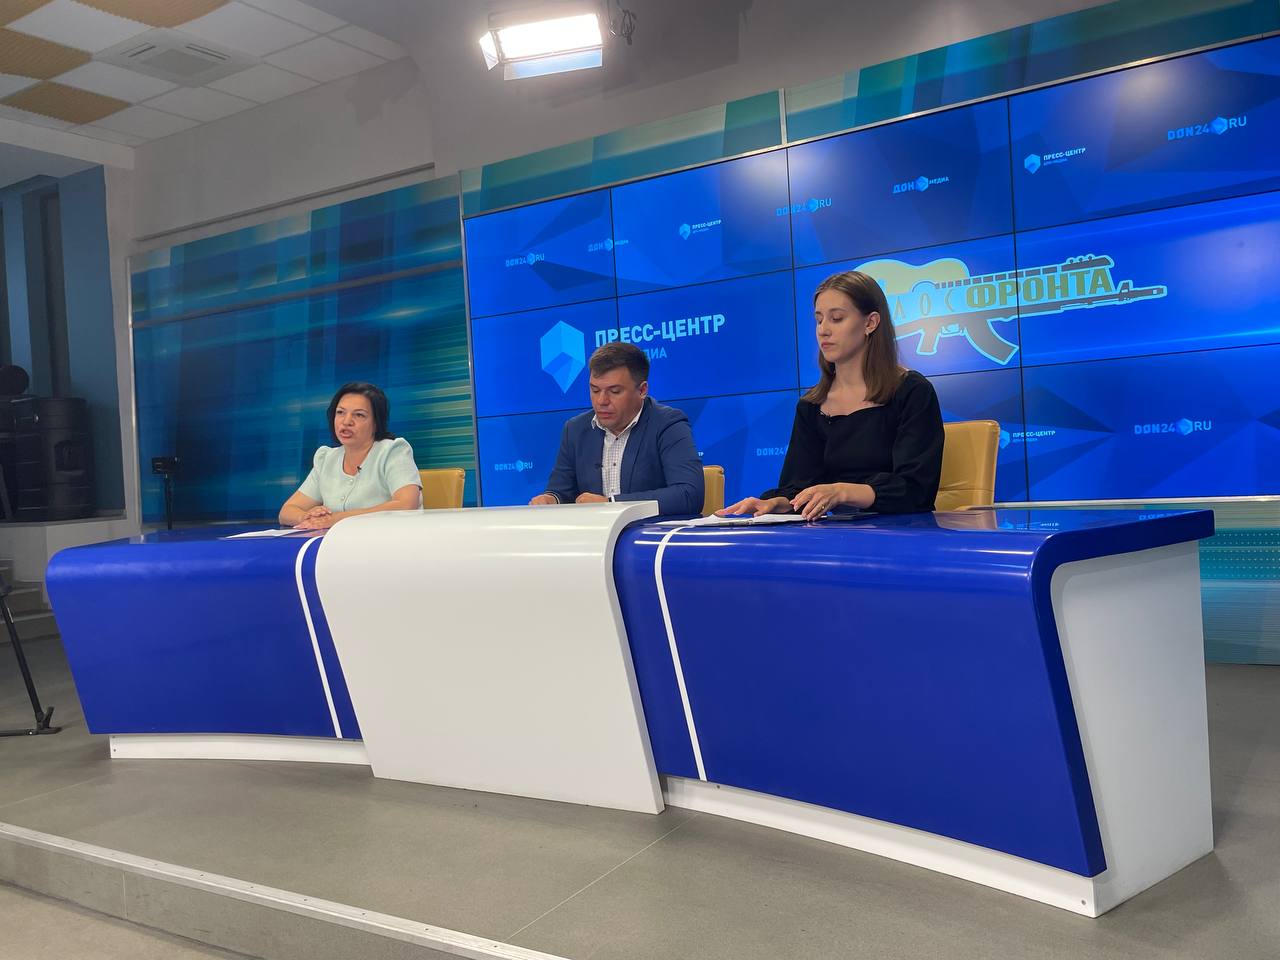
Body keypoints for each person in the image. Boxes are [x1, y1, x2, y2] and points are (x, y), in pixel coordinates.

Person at [720, 270, 943, 520]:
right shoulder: (811, 405)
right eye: (819, 320)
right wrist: (776, 503)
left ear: (870, 323)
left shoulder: (912, 391)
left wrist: (842, 492)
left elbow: (916, 490)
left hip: (904, 531)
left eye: (836, 319)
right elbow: (798, 486)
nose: (823, 330)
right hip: (833, 534)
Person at [530, 342, 704, 516]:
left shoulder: (667, 424)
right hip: (593, 532)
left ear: (642, 390)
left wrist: (611, 503)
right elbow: (561, 490)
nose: (601, 401)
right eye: (595, 390)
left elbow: (689, 494)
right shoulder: (575, 429)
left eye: (614, 391)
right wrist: (551, 499)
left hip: (648, 531)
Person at [279, 382, 422, 529]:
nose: (346, 422)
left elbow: (406, 505)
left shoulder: (393, 451)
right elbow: (287, 511)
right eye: (340, 412)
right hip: (337, 541)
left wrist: (336, 519)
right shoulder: (326, 459)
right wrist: (307, 517)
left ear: (376, 423)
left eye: (359, 415)